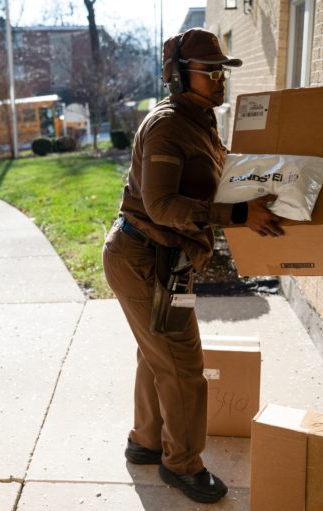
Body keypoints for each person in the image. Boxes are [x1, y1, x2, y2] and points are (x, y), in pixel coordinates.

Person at [101, 28, 283, 504]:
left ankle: (145, 441)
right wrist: (240, 214)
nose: (220, 79)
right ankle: (181, 465)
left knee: (155, 354)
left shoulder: (200, 119)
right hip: (143, 256)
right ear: (179, 75)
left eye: (223, 70)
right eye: (210, 71)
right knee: (182, 367)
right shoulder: (166, 125)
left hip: (165, 260)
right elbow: (161, 206)